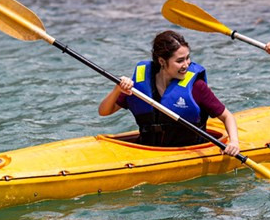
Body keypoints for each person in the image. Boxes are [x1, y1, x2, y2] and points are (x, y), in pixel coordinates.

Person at [99, 30, 241, 156]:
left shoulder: (197, 87)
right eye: (180, 60)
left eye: (187, 58)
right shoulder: (140, 86)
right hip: (148, 151)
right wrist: (117, 89)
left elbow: (226, 116)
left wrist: (234, 142)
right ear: (162, 61)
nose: (186, 64)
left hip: (188, 152)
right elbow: (104, 111)